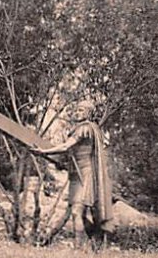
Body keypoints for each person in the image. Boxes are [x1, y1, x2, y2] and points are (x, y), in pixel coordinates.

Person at [33, 100, 114, 249]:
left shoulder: (85, 129)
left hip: (85, 174)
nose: (77, 113)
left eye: (81, 110)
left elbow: (66, 146)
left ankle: (78, 249)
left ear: (89, 113)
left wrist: (43, 152)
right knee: (79, 213)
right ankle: (96, 240)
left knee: (77, 212)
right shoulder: (90, 129)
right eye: (76, 110)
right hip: (77, 174)